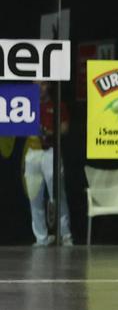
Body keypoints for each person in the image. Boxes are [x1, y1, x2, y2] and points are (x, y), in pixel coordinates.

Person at [24, 82, 72, 247]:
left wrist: (48, 131)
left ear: (49, 86)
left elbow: (65, 128)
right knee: (34, 196)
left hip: (51, 152)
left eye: (43, 85)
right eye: (36, 85)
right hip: (32, 153)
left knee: (57, 195)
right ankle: (41, 238)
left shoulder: (58, 105)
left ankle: (65, 235)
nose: (40, 88)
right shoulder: (25, 103)